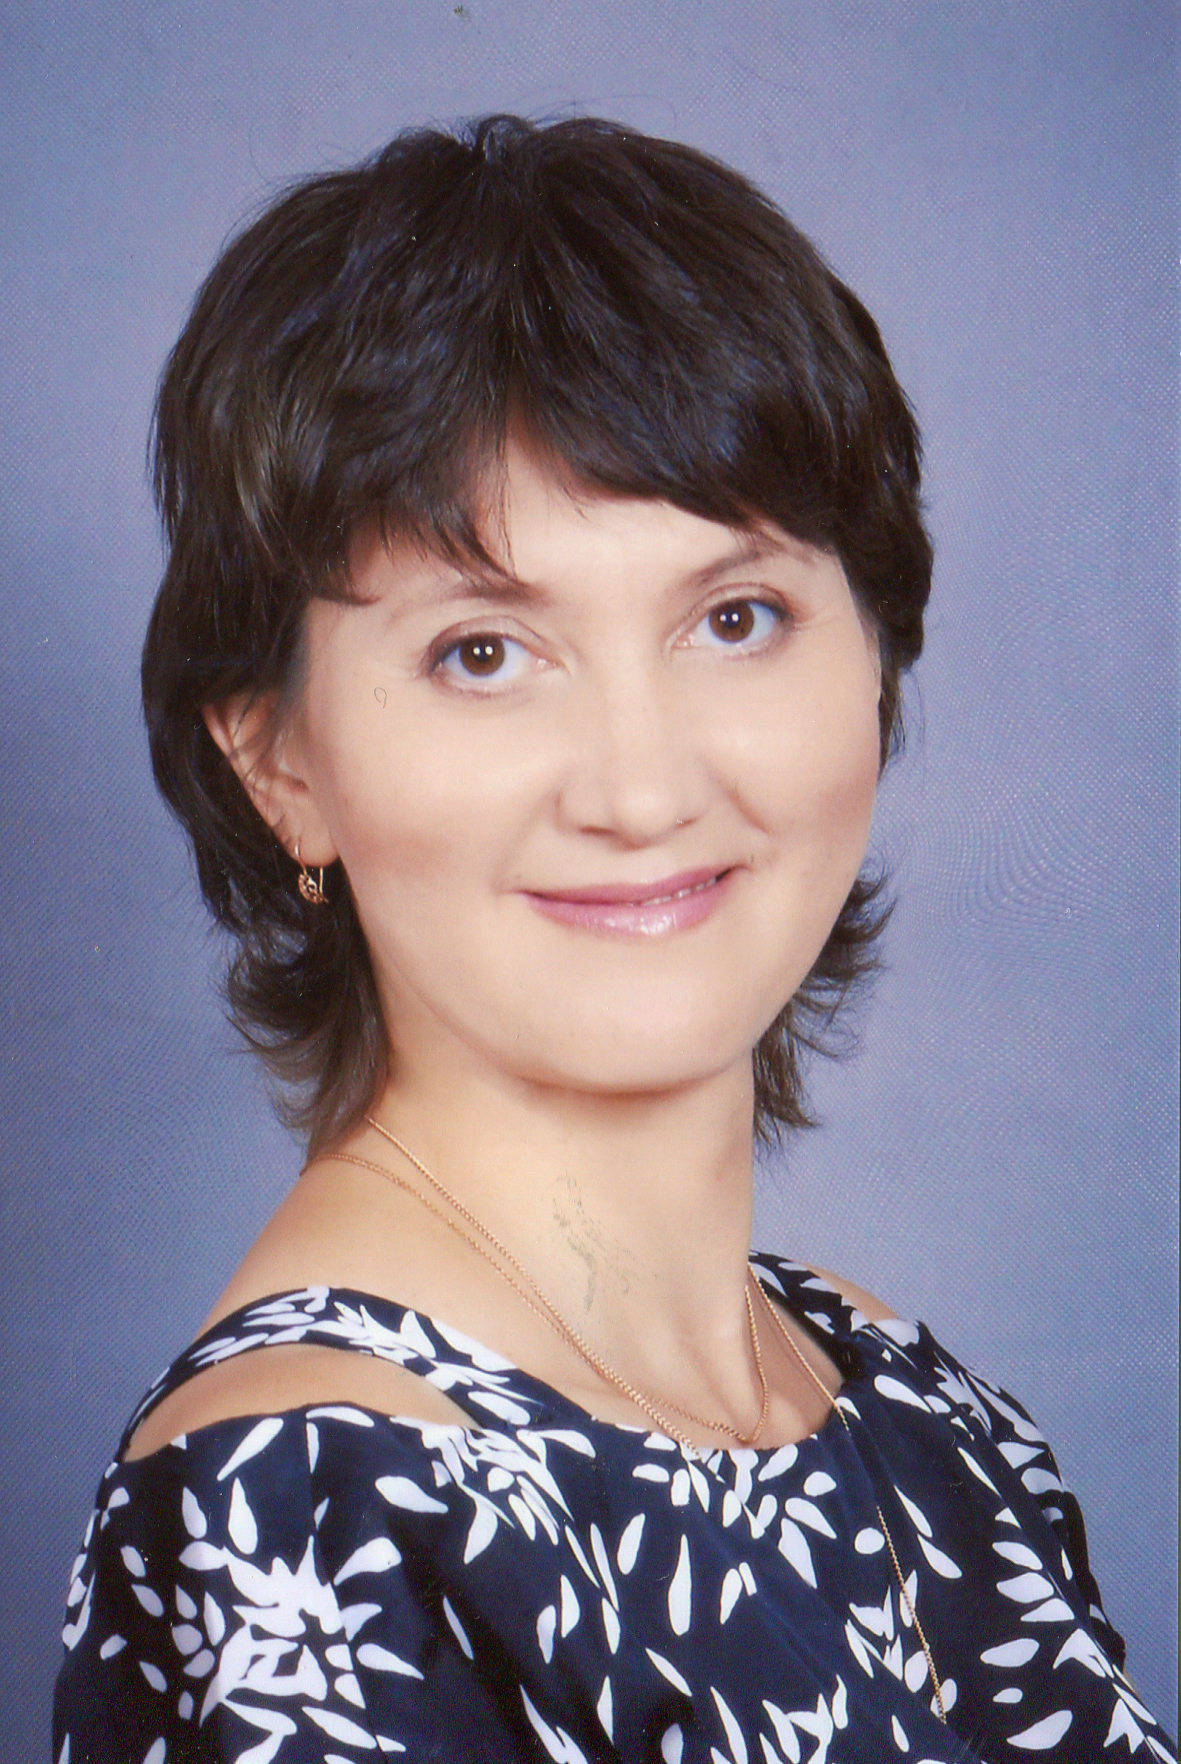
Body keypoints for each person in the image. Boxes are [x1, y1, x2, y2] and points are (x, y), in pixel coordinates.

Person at [52, 115, 1175, 1764]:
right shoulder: (299, 1515)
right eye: (483, 652)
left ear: (873, 661)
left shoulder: (903, 1400)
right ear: (278, 763)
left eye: (735, 618)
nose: (642, 789)